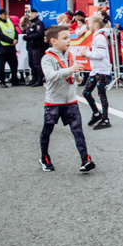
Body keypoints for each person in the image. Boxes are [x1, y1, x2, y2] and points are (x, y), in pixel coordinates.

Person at [39, 25, 95, 172]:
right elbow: (50, 76)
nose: (69, 41)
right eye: (64, 38)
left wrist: (77, 76)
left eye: (69, 38)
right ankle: (44, 157)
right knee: (47, 131)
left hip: (70, 100)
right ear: (53, 41)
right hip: (53, 102)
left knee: (78, 131)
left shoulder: (71, 56)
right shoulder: (47, 58)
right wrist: (70, 70)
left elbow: (74, 76)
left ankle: (85, 160)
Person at [83, 14, 112, 130]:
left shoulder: (100, 37)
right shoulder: (97, 36)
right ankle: (96, 113)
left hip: (102, 70)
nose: (88, 25)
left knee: (102, 95)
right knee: (86, 92)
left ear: (95, 25)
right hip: (96, 70)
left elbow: (101, 54)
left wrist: (86, 54)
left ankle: (105, 119)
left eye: (89, 23)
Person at [0, 9, 22, 88]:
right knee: (2, 66)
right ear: (0, 15)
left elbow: (15, 31)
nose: (6, 16)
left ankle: (15, 80)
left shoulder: (9, 21)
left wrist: (15, 39)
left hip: (11, 48)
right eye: (4, 14)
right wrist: (11, 41)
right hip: (2, 48)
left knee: (14, 64)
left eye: (7, 14)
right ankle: (2, 81)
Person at [23, 8, 46, 87]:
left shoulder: (39, 23)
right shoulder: (30, 24)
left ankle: (39, 79)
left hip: (37, 46)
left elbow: (39, 34)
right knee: (31, 63)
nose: (31, 14)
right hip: (30, 46)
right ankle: (34, 78)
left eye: (32, 13)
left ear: (36, 14)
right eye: (30, 13)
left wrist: (29, 37)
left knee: (37, 63)